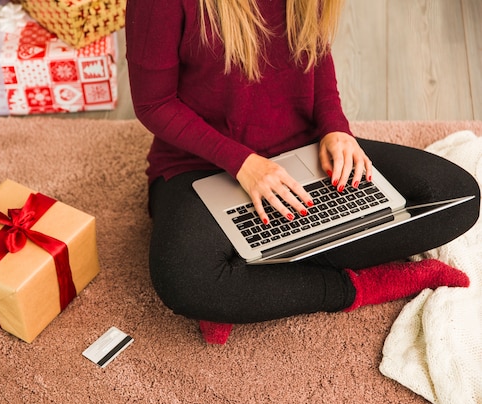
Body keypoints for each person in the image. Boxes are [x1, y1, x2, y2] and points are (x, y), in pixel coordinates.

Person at [125, 0, 480, 344]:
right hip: (201, 163)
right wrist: (243, 163)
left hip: (303, 147)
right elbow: (154, 104)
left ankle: (251, 284)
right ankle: (356, 287)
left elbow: (314, 48)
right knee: (184, 279)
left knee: (456, 197)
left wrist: (336, 128)